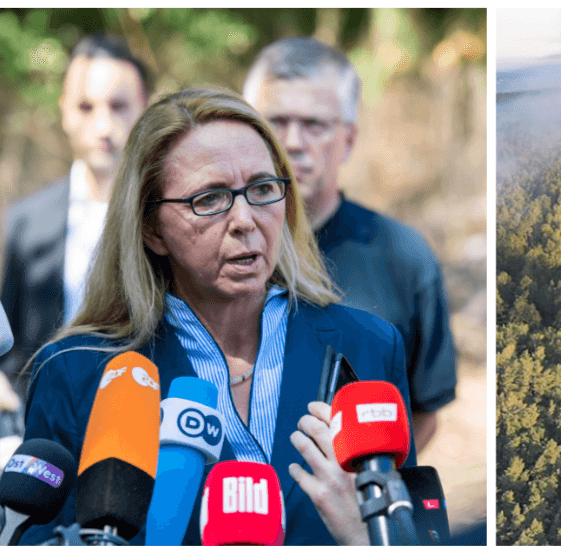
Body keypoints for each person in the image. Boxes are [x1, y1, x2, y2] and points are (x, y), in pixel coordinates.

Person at [20, 87, 415, 545]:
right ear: (152, 229)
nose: (245, 219)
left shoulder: (368, 346)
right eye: (209, 199)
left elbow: (414, 531)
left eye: (263, 189)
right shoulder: (75, 373)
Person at [242, 37, 456, 451]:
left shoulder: (404, 258)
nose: (293, 143)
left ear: (350, 140)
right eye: (275, 123)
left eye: (314, 125)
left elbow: (423, 413)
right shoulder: (214, 251)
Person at [0, 34, 151, 401]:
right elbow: (10, 346)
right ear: (64, 110)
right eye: (86, 107)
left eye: (118, 106)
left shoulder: (167, 215)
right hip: (41, 425)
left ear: (145, 108)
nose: (103, 127)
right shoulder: (26, 223)